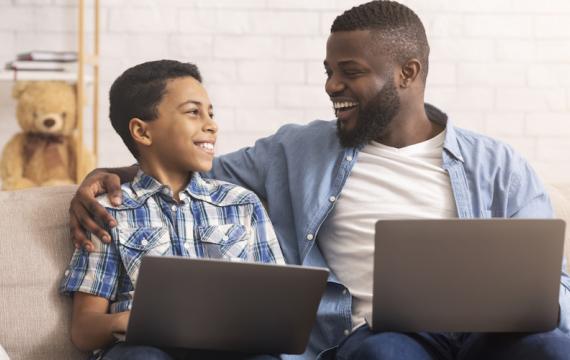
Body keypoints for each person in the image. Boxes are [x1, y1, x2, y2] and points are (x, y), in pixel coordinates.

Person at [68, 1, 570, 359]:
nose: (331, 86)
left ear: (407, 72)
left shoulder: (497, 163)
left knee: (552, 347)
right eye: (328, 70)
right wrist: (111, 172)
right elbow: (188, 172)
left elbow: (550, 286)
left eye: (348, 72)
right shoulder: (295, 150)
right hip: (382, 336)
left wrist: (541, 304)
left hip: (490, 335)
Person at [60, 60, 284, 360]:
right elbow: (84, 330)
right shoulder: (109, 211)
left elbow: (279, 308)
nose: (211, 124)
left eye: (211, 113)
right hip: (142, 347)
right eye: (193, 112)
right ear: (142, 131)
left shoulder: (241, 203)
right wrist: (127, 321)